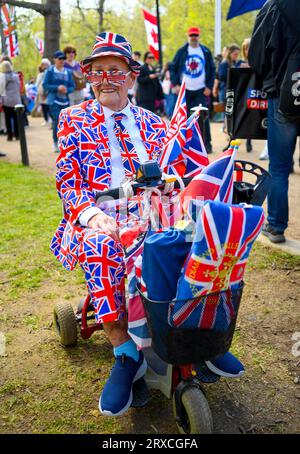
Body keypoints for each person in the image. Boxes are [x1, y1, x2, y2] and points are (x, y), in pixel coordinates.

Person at [51, 32, 244, 418]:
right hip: (96, 214)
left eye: (115, 71)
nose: (106, 78)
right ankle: (126, 354)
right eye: (97, 71)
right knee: (103, 246)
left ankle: (200, 339)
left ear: (131, 76)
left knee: (200, 237)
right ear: (88, 76)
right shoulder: (72, 118)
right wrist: (95, 217)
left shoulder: (154, 122)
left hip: (155, 209)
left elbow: (179, 171)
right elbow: (69, 184)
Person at [248, 0, 300, 244]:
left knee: (279, 168)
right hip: (283, 91)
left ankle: (276, 226)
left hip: (282, 94)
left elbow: (256, 57)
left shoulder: (272, 7)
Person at [170, 26, 216, 153]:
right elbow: (172, 67)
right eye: (191, 35)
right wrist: (176, 84)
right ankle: (183, 145)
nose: (194, 38)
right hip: (185, 91)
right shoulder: (182, 51)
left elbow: (212, 69)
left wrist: (209, 86)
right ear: (188, 36)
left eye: (196, 35)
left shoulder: (205, 51)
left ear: (199, 36)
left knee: (203, 118)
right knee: (183, 118)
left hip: (200, 90)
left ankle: (207, 144)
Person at [43, 50, 75, 152]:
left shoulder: (68, 72)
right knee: (57, 121)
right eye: (60, 58)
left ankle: (65, 143)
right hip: (53, 101)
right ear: (55, 59)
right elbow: (45, 85)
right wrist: (57, 88)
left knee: (66, 123)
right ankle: (55, 143)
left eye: (63, 59)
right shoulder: (50, 71)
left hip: (65, 101)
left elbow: (72, 86)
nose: (62, 60)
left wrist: (67, 90)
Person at [1, 60, 21, 142]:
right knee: (16, 119)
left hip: (7, 101)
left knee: (8, 119)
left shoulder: (2, 77)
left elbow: (1, 89)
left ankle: (9, 136)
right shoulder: (16, 76)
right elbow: (18, 87)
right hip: (16, 100)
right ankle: (17, 135)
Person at [34, 58, 51, 126]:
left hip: (47, 91)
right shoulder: (40, 74)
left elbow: (37, 84)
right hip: (41, 92)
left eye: (46, 64)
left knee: (47, 106)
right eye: (43, 64)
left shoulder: (49, 73)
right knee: (44, 106)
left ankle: (49, 119)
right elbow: (37, 84)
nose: (44, 66)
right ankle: (46, 119)